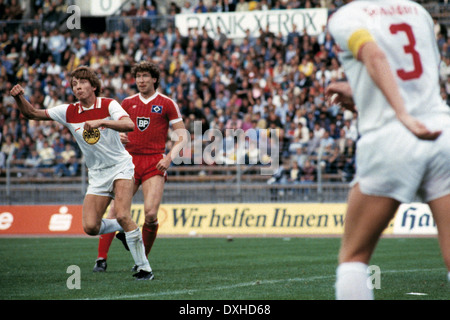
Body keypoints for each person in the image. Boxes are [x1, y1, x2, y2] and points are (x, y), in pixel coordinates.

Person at [326, 0, 450, 299]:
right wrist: (362, 96)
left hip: (390, 139)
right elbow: (416, 80)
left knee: (354, 256)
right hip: (442, 132)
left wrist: (401, 114)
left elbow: (374, 54)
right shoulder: (417, 12)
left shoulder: (347, 16)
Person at [10, 66, 154, 280]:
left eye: (82, 82)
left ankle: (144, 268)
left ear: (94, 86)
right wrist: (19, 98)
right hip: (96, 174)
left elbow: (129, 124)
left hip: (121, 166)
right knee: (90, 227)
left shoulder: (108, 104)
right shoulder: (68, 111)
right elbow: (32, 113)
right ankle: (124, 228)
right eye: (74, 83)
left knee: (123, 213)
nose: (77, 86)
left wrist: (102, 121)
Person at [93, 61, 187, 272]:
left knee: (151, 214)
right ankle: (101, 258)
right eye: (138, 77)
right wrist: (119, 136)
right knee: (115, 211)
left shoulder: (167, 103)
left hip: (154, 162)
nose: (141, 80)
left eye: (145, 76)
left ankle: (141, 261)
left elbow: (183, 136)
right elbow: (112, 129)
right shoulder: (127, 102)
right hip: (128, 162)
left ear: (154, 79)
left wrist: (169, 158)